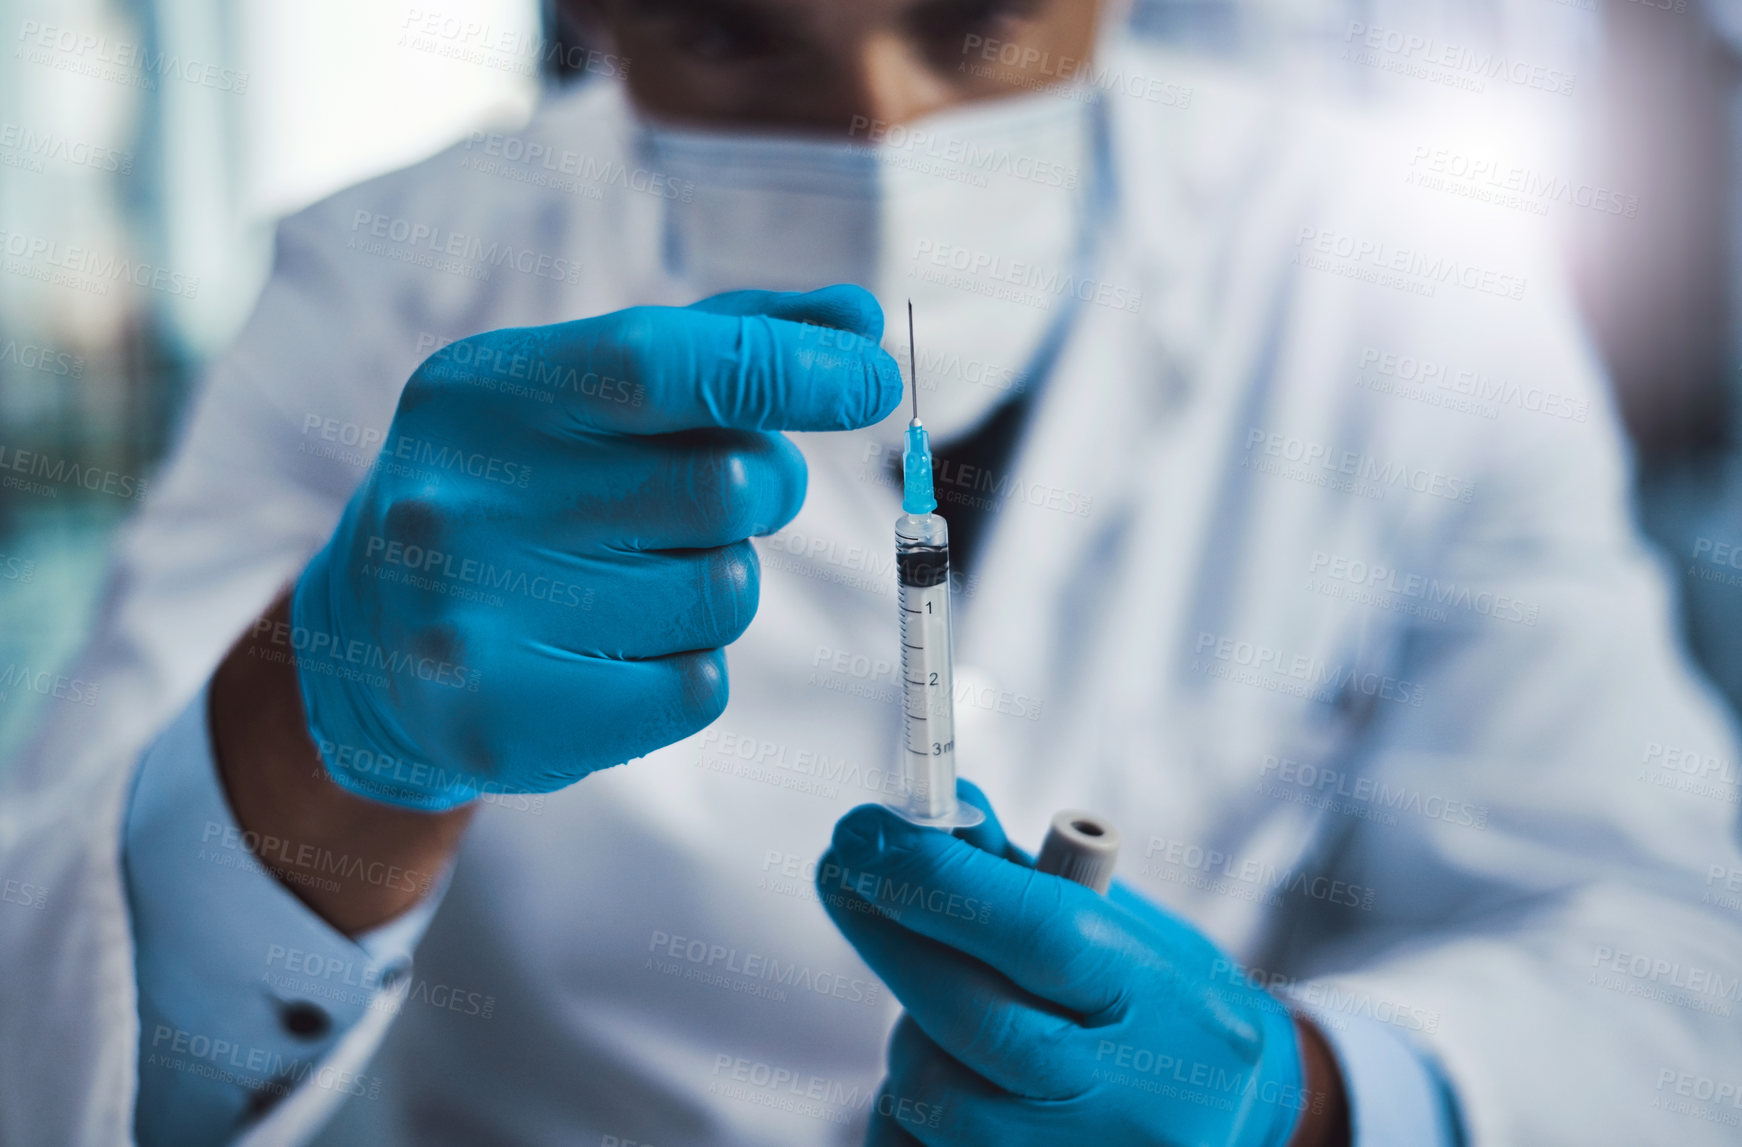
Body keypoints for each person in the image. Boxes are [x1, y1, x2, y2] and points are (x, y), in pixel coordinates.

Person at [3, 1, 1740, 1144]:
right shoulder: (390, 274)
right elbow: (49, 1038)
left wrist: (1305, 1101)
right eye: (733, 34)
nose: (878, 135)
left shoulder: (1396, 271)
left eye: (975, 23)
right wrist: (326, 735)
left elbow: (1678, 965)